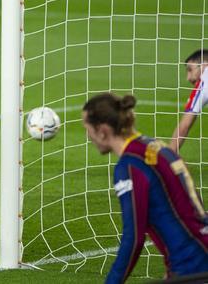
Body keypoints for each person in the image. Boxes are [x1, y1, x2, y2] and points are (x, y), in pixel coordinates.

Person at [82, 93, 208, 283]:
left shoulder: (130, 165)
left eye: (88, 129)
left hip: (193, 268)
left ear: (102, 130)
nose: (88, 135)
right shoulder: (158, 147)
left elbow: (133, 238)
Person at [169, 49, 208, 154]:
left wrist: (167, 159)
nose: (188, 78)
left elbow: (184, 126)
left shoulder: (204, 82)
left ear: (204, 65)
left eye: (190, 70)